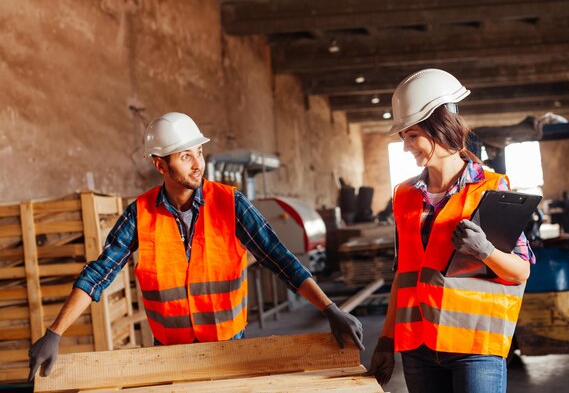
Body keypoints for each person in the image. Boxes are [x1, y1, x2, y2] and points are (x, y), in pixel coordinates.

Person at [28, 112, 364, 381]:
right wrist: (55, 332)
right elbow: (99, 273)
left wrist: (329, 309)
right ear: (160, 165)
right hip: (168, 355)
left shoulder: (231, 203)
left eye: (199, 153)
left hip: (230, 350)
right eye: (185, 156)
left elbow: (279, 258)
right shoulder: (140, 214)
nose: (197, 163)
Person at [367, 69, 534, 393]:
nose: (406, 147)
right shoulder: (404, 196)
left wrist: (486, 251)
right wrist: (387, 339)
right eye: (403, 137)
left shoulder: (491, 188)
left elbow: (520, 271)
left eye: (412, 135)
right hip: (418, 348)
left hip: (475, 347)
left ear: (440, 127)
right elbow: (404, 275)